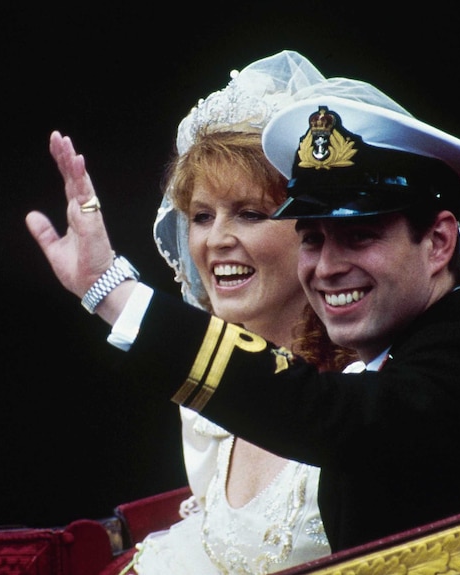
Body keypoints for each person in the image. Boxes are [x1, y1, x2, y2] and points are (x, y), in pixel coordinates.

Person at [25, 52, 460, 553]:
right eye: (311, 239)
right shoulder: (395, 355)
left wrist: (112, 290)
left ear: (438, 242)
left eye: (359, 236)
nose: (328, 266)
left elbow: (325, 412)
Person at [121, 52, 355, 574]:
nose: (216, 240)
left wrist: (106, 289)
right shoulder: (207, 408)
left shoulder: (367, 388)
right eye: (202, 217)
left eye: (249, 214)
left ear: (315, 231)